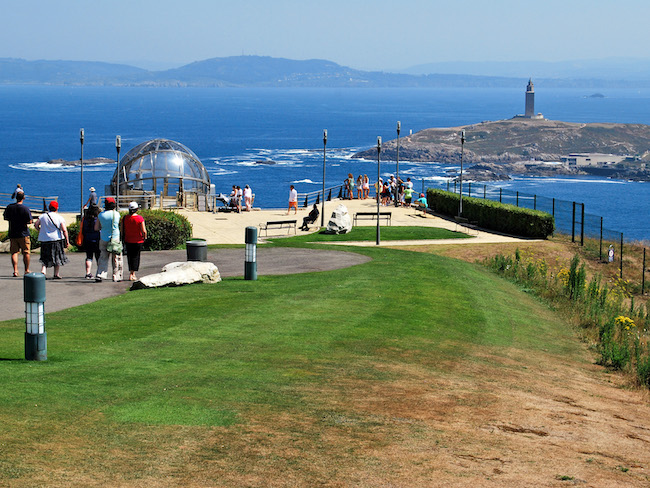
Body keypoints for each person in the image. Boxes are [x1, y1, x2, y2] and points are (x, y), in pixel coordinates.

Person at [34, 201, 69, 279]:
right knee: (57, 256)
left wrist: (40, 230)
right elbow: (64, 230)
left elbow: (36, 224)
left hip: (45, 239)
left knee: (45, 256)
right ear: (57, 208)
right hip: (56, 239)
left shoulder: (43, 216)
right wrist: (67, 240)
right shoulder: (59, 217)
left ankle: (43, 270)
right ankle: (56, 274)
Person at [3, 190, 33, 277]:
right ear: (23, 198)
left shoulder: (10, 207)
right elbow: (29, 221)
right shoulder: (25, 208)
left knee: (14, 252)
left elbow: (5, 217)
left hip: (13, 232)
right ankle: (26, 270)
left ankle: (15, 271)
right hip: (23, 233)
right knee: (26, 252)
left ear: (16, 198)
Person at [95, 197, 123, 282]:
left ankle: (101, 274)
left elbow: (96, 228)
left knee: (103, 257)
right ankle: (116, 276)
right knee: (117, 258)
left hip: (104, 238)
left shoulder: (101, 215)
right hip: (115, 238)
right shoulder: (117, 214)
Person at [121, 201, 147, 281]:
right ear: (137, 209)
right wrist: (144, 237)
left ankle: (130, 273)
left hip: (128, 240)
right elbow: (144, 230)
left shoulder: (125, 218)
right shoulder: (140, 218)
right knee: (136, 257)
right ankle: (133, 274)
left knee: (130, 257)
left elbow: (122, 230)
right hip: (138, 240)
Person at [81, 205, 101, 279]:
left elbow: (83, 230)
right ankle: (99, 273)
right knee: (98, 257)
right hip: (97, 239)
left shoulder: (85, 219)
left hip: (87, 239)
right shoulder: (97, 219)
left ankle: (88, 273)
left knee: (89, 257)